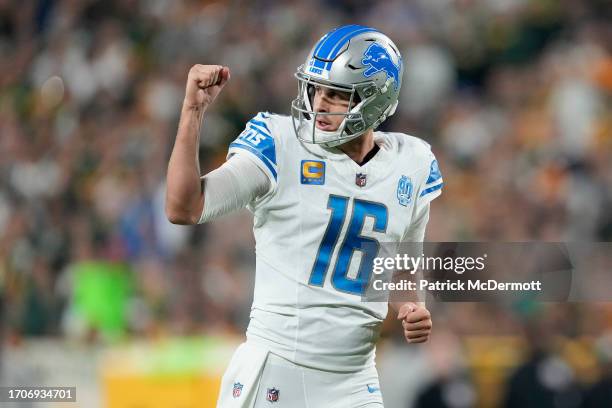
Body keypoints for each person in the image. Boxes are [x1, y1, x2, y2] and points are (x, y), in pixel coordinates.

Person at [166, 24, 442, 408]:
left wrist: (412, 306)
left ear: (375, 100)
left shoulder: (411, 164)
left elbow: (401, 268)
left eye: (336, 94)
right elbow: (184, 207)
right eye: (316, 90)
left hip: (355, 380)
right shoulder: (280, 144)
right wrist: (193, 111)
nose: (319, 104)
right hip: (276, 369)